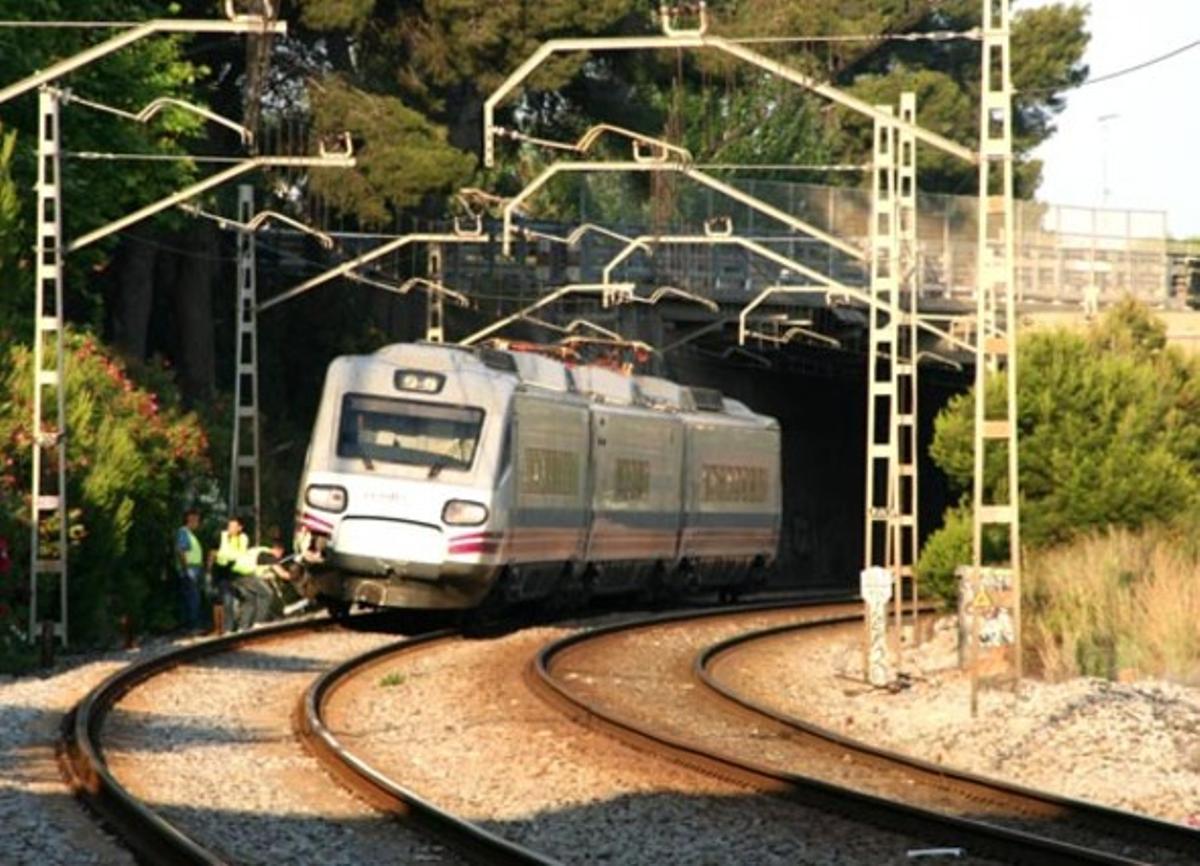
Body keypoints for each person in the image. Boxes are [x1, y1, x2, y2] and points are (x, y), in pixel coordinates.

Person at [230, 541, 289, 630]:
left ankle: (243, 627)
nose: (280, 558)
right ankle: (258, 623)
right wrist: (293, 576)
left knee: (250, 599)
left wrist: (267, 576)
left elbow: (257, 573)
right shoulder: (268, 554)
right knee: (267, 594)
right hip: (245, 574)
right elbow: (283, 574)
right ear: (278, 550)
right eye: (281, 554)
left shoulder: (259, 550)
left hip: (234, 574)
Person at [210, 516, 249, 634]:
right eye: (229, 526)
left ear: (240, 528)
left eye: (233, 526)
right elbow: (213, 552)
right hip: (220, 570)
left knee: (234, 598)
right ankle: (222, 628)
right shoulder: (221, 536)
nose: (230, 528)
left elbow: (240, 554)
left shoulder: (243, 538)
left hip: (235, 570)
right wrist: (209, 570)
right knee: (222, 599)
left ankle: (231, 626)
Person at [175, 509, 204, 632]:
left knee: (190, 598)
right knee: (193, 598)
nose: (198, 523)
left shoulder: (189, 534)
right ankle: (192, 626)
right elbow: (181, 551)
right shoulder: (184, 532)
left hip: (193, 569)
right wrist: (187, 569)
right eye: (196, 520)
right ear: (190, 519)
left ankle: (188, 626)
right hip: (190, 570)